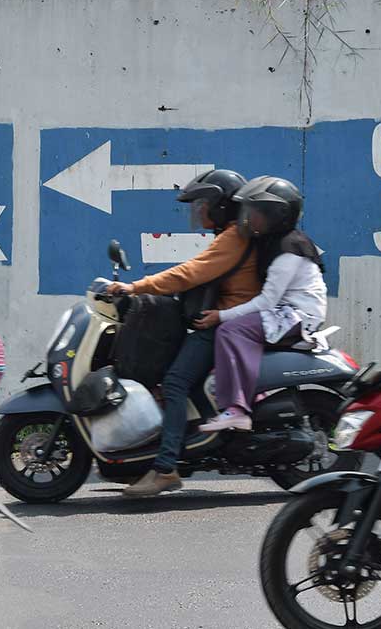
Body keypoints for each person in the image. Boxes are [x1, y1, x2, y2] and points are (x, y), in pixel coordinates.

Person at [106, 169, 260, 497]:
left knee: (175, 382)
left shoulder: (234, 238)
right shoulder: (230, 236)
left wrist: (135, 287)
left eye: (204, 203)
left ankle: (166, 468)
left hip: (224, 326)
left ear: (222, 205)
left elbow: (188, 273)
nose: (199, 210)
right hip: (221, 321)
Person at [194, 177, 326, 432]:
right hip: (289, 311)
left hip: (297, 315)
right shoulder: (276, 242)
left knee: (232, 331)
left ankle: (235, 409)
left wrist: (221, 316)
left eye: (256, 213)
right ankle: (256, 397)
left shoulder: (288, 250)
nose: (249, 218)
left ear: (277, 215)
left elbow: (267, 301)